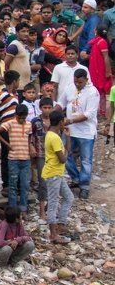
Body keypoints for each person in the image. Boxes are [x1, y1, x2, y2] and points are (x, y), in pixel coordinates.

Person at [57, 68, 99, 199]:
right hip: (70, 130)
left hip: (86, 132)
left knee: (86, 160)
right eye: (76, 82)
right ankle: (76, 179)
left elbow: (89, 114)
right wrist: (52, 113)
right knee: (65, 154)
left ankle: (84, 186)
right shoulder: (70, 87)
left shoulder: (93, 92)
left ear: (86, 80)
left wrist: (70, 120)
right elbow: (61, 103)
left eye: (80, 82)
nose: (77, 84)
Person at [42, 109, 74, 243]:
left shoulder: (51, 134)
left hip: (56, 173)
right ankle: (54, 235)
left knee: (69, 197)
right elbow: (63, 159)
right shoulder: (54, 137)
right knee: (53, 203)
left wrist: (66, 138)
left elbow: (64, 154)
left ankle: (61, 224)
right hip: (54, 173)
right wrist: (66, 145)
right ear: (61, 122)